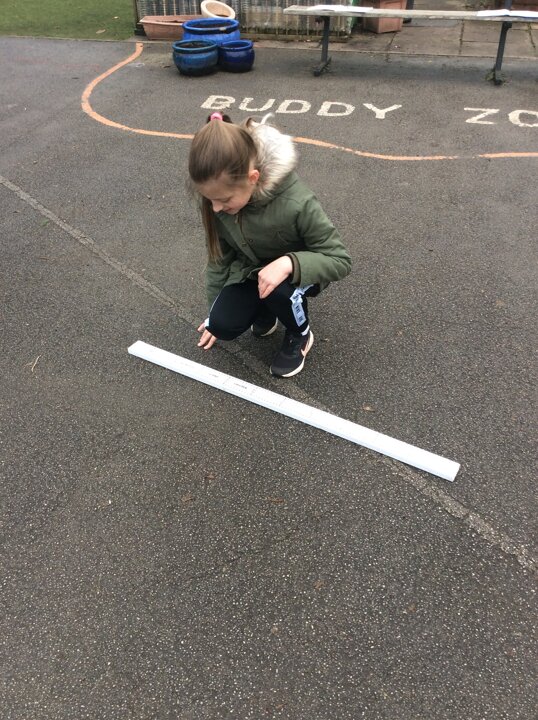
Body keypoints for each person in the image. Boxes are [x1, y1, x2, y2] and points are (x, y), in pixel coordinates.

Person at [188, 112, 351, 378]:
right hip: (255, 269)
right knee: (222, 324)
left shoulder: (297, 203)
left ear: (253, 178)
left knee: (278, 289)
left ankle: (300, 333)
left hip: (298, 272)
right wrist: (213, 312)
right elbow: (220, 260)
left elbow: (340, 260)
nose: (216, 208)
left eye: (224, 200)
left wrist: (289, 263)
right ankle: (266, 308)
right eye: (210, 200)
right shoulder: (219, 196)